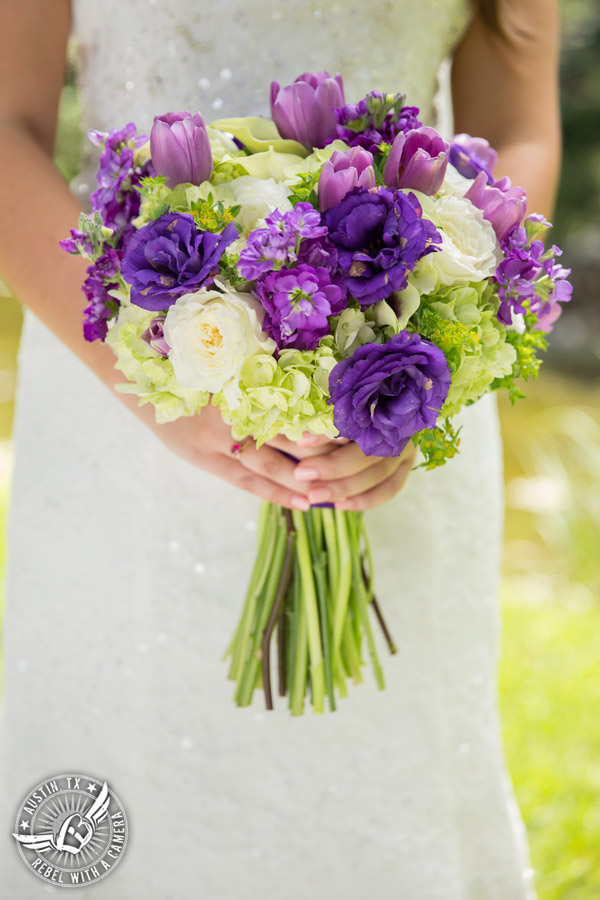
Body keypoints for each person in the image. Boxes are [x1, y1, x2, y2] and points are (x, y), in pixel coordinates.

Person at [0, 0, 560, 896]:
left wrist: (419, 378)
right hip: (115, 364)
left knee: (380, 769)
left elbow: (516, 130)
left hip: (401, 365)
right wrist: (155, 382)